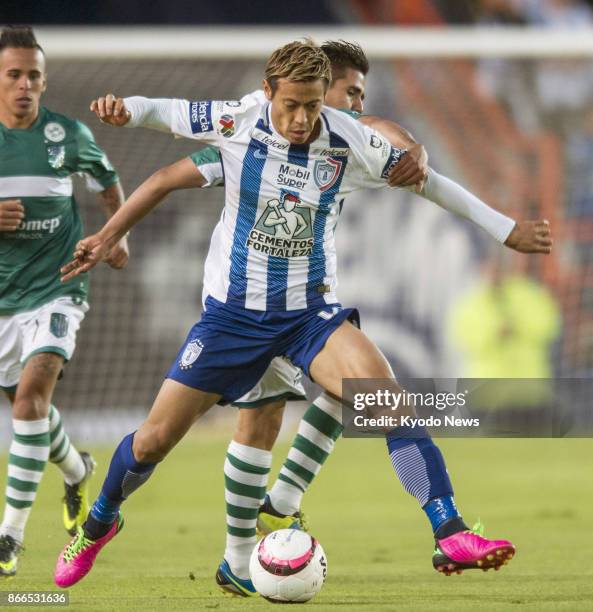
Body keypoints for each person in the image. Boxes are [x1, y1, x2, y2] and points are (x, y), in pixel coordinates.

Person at [54, 40, 550, 594]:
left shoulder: (348, 139)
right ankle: (99, 523)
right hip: (231, 320)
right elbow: (164, 119)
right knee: (151, 443)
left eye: (313, 105)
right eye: (290, 104)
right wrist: (121, 134)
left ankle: (450, 532)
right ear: (268, 92)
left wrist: (505, 229)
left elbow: (429, 183)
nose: (301, 118)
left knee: (387, 402)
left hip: (309, 316)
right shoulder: (238, 119)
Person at [0, 26, 129, 577]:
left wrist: (116, 232)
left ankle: (9, 536)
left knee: (31, 399)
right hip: (4, 299)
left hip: (59, 286)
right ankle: (77, 471)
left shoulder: (67, 134)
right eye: (14, 75)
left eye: (34, 75)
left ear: (44, 80)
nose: (25, 85)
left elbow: (107, 180)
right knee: (29, 412)